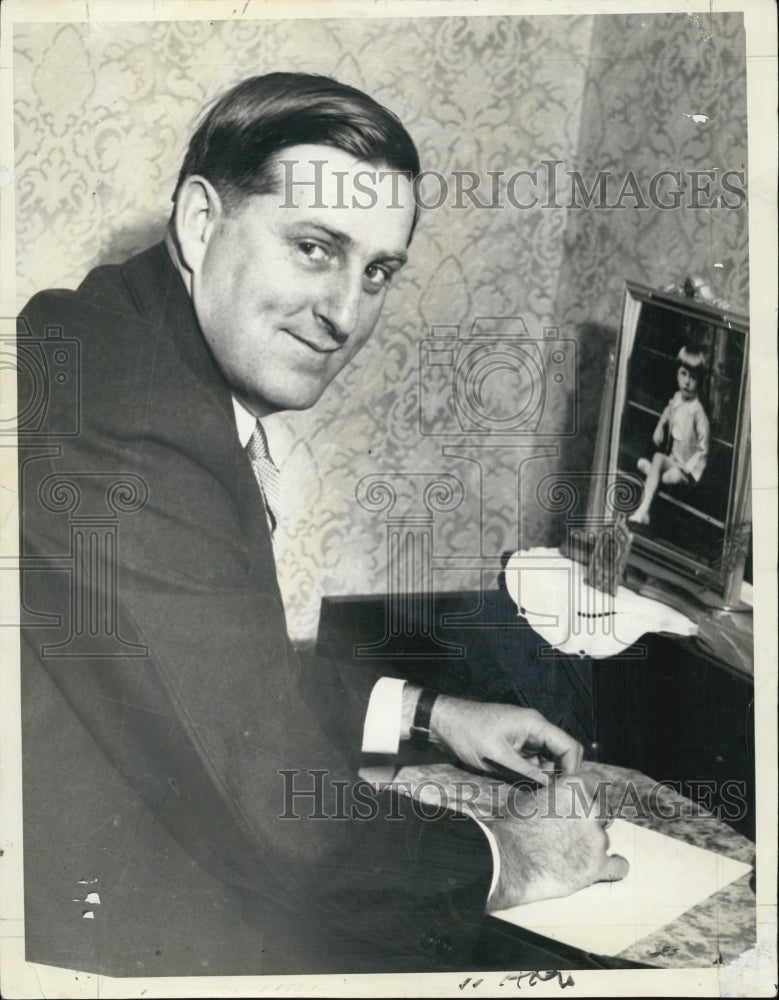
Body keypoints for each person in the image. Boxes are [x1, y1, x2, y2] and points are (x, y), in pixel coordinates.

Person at [17, 73, 627, 978]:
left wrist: (427, 711)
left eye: (376, 271)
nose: (345, 313)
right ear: (197, 222)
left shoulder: (123, 342)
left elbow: (212, 670)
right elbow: (270, 812)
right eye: (313, 247)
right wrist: (514, 860)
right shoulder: (133, 421)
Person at [630, 345, 710, 525]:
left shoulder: (698, 413)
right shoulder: (676, 399)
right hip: (672, 461)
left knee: (661, 466)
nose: (687, 382)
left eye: (693, 377)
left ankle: (651, 479)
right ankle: (645, 510)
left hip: (685, 471)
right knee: (664, 469)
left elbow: (703, 449)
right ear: (677, 374)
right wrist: (659, 427)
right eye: (683, 374)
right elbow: (668, 411)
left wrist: (687, 470)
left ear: (700, 382)